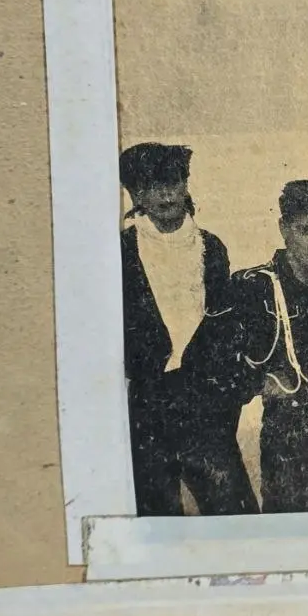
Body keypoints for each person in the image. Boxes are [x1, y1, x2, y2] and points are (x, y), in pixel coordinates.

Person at [120, 142, 258, 517]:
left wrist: (224, 399)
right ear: (137, 194)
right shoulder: (121, 251)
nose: (166, 195)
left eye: (173, 182)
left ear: (185, 185)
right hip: (149, 402)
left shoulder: (211, 247)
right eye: (153, 186)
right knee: (156, 516)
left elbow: (225, 328)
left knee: (234, 513)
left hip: (203, 401)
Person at [226, 180, 308, 513]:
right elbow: (211, 365)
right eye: (306, 230)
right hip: (288, 447)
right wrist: (261, 382)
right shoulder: (255, 286)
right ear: (283, 228)